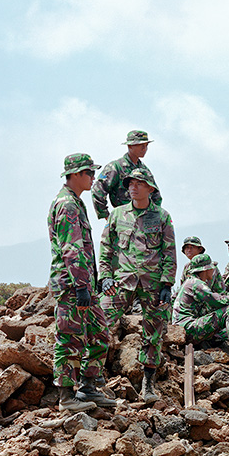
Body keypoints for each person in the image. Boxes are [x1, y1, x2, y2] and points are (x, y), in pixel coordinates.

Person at [98, 167, 176, 402]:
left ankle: (148, 385)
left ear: (150, 188)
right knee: (99, 323)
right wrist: (104, 276)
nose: (133, 187)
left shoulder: (162, 216)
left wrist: (167, 283)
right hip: (120, 282)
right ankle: (91, 379)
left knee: (153, 335)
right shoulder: (117, 214)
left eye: (138, 183)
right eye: (130, 183)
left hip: (153, 284)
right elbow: (105, 247)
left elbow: (169, 252)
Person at [48, 153, 115, 411]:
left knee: (99, 332)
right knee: (70, 338)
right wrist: (80, 286)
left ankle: (88, 388)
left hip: (83, 285)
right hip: (72, 286)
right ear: (75, 174)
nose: (92, 177)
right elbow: (71, 249)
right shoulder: (66, 204)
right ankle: (66, 397)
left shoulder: (76, 202)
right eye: (88, 173)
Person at [93, 130, 161, 220]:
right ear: (130, 146)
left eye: (146, 145)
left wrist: (153, 215)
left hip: (143, 220)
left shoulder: (144, 169)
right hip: (123, 219)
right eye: (141, 145)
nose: (144, 148)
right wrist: (107, 216)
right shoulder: (116, 167)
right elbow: (98, 190)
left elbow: (156, 194)